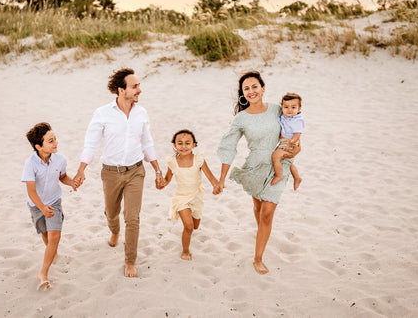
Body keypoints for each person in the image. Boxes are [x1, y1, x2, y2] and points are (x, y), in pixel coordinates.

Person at [73, 68, 164, 278]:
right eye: (135, 86)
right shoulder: (102, 113)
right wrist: (81, 170)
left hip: (136, 171)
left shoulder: (141, 113)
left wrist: (157, 170)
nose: (140, 90)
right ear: (121, 90)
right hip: (111, 173)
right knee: (112, 213)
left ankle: (130, 260)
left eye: (139, 86)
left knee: (132, 218)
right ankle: (114, 230)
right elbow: (91, 144)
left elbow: (147, 143)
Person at [214, 71, 299, 275]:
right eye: (246, 88)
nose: (251, 91)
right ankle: (262, 230)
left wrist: (295, 149)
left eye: (254, 86)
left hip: (279, 165)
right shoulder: (241, 118)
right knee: (258, 207)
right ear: (242, 93)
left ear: (262, 88)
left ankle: (258, 258)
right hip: (255, 167)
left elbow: (294, 129)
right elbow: (228, 147)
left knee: (267, 214)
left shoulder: (278, 110)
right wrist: (221, 178)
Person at [21, 122, 77, 291]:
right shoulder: (30, 164)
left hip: (54, 201)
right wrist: (42, 208)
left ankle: (43, 273)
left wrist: (72, 182)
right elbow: (31, 191)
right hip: (36, 205)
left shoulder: (60, 159)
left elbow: (63, 177)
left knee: (55, 237)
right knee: (45, 235)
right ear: (39, 146)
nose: (55, 143)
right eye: (50, 141)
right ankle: (51, 253)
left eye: (55, 139)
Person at [157, 129, 218, 260]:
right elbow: (167, 180)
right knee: (189, 227)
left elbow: (211, 177)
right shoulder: (172, 162)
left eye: (187, 143)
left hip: (196, 196)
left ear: (194, 145)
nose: (183, 146)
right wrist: (161, 183)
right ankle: (185, 251)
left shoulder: (199, 159)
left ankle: (189, 228)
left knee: (195, 226)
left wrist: (216, 185)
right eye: (180, 143)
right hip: (181, 197)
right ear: (175, 145)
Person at [270, 93, 304, 190]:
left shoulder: (297, 120)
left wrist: (293, 141)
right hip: (285, 141)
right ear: (282, 107)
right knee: (287, 161)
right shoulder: (286, 116)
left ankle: (278, 175)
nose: (289, 110)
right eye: (286, 107)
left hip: (289, 142)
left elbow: (298, 133)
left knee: (275, 157)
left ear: (299, 108)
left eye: (293, 107)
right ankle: (297, 177)